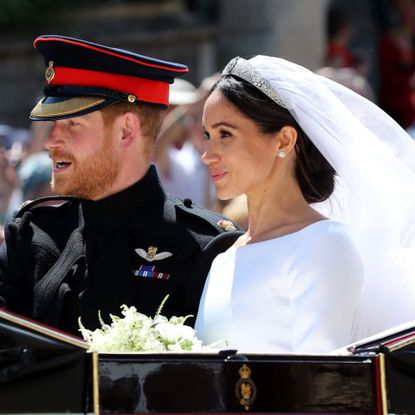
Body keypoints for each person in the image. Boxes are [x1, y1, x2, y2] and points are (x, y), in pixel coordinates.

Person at [0, 35, 241, 336]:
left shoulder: (206, 248)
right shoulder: (30, 237)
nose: (50, 142)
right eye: (53, 125)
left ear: (126, 129)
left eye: (72, 124)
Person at [195, 55, 415, 353]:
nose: (208, 154)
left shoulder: (323, 243)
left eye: (225, 134)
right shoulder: (225, 255)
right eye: (207, 135)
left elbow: (321, 383)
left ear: (284, 140)